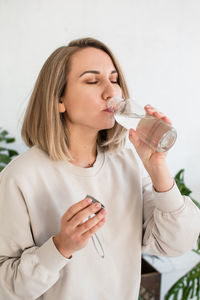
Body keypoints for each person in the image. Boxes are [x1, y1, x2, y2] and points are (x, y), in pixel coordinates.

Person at [0, 37, 199, 300]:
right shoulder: (20, 177)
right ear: (60, 100)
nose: (111, 92)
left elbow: (176, 244)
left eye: (114, 79)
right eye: (92, 81)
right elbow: (5, 288)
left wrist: (157, 167)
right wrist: (60, 248)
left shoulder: (128, 162)